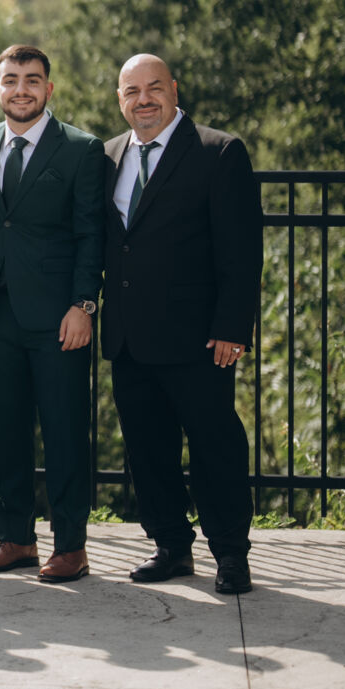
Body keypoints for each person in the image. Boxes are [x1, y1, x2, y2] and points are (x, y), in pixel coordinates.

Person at [102, 54, 261, 595]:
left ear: (173, 89)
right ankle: (171, 546)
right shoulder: (108, 156)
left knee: (215, 448)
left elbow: (241, 250)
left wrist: (233, 326)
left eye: (154, 88)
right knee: (148, 450)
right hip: (129, 336)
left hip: (199, 338)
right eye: (132, 91)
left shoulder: (219, 152)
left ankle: (231, 554)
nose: (143, 99)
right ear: (120, 100)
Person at [0, 45, 105, 583]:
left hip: (58, 317)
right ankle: (16, 539)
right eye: (10, 80)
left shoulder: (81, 149)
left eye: (31, 80)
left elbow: (91, 233)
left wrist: (83, 305)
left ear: (48, 88)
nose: (20, 89)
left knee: (65, 431)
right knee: (6, 431)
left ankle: (71, 545)